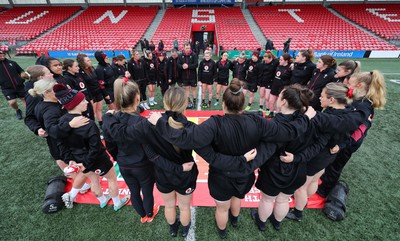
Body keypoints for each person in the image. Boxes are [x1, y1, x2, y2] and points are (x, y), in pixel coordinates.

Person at [148, 79, 312, 239]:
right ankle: (234, 220)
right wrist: (304, 118)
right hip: (244, 175)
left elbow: (188, 139)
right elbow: (285, 133)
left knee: (222, 208)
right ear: (243, 103)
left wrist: (161, 124)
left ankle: (222, 231)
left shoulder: (214, 124)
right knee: (237, 199)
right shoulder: (258, 122)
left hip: (221, 177)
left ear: (223, 103)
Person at [102, 82, 198, 236]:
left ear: (165, 102)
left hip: (163, 174)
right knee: (185, 207)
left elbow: (151, 155)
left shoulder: (150, 125)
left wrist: (108, 117)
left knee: (169, 205)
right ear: (185, 103)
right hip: (184, 175)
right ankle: (185, 230)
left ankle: (173, 229)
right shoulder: (192, 128)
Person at [286, 82, 361, 222]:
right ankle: (306, 200)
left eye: (322, 96)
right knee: (314, 179)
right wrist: (340, 144)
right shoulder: (349, 113)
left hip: (317, 156)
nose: (320, 98)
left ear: (331, 99)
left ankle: (297, 213)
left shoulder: (328, 119)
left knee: (300, 186)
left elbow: (317, 141)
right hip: (328, 156)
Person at [251, 84, 320, 232]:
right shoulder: (309, 120)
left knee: (268, 199)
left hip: (275, 169)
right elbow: (316, 146)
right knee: (283, 199)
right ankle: (276, 222)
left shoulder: (276, 124)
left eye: (280, 96)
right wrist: (298, 158)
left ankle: (261, 222)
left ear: (283, 102)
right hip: (297, 168)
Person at [53, 83, 130, 211]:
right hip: (97, 159)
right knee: (112, 179)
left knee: (94, 181)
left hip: (79, 160)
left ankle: (102, 201)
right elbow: (96, 148)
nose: (86, 102)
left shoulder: (62, 122)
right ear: (74, 104)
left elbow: (61, 143)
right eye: (82, 100)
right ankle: (117, 203)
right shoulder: (88, 124)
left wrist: (70, 160)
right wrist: (86, 163)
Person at [316, 71, 386, 198]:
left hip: (349, 143)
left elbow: (359, 132)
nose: (348, 87)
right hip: (341, 138)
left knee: (336, 166)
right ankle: (323, 178)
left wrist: (342, 145)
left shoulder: (364, 106)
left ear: (359, 86)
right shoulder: (357, 99)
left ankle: (324, 190)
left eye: (350, 85)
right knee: (331, 161)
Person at [29, 78, 91, 205]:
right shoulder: (50, 111)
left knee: (64, 160)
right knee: (79, 166)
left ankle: (79, 184)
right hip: (61, 143)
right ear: (46, 93)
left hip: (56, 143)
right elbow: (53, 130)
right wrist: (71, 124)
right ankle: (74, 192)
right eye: (54, 89)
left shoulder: (45, 104)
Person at [77, 54, 107, 129]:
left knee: (99, 110)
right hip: (91, 95)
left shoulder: (92, 68)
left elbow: (96, 80)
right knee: (92, 113)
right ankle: (93, 127)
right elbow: (85, 86)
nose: (90, 61)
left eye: (89, 60)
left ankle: (101, 125)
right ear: (82, 62)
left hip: (98, 92)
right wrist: (90, 98)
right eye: (87, 60)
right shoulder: (80, 72)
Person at [23, 65, 54, 135]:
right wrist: (37, 128)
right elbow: (29, 117)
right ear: (41, 77)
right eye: (49, 73)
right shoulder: (34, 95)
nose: (52, 74)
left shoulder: (48, 86)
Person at [0, 50, 26, 119]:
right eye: (0, 55)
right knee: (12, 102)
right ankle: (18, 110)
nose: (2, 56)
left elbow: (21, 71)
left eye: (3, 55)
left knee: (24, 99)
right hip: (7, 88)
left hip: (19, 86)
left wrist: (22, 78)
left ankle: (30, 113)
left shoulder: (12, 63)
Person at [267, 53, 292, 117]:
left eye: (281, 60)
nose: (279, 61)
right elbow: (272, 58)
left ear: (286, 61)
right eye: (279, 59)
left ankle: (278, 115)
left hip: (282, 89)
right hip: (275, 87)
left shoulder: (290, 68)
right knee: (270, 101)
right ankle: (271, 112)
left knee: (279, 104)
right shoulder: (278, 65)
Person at [258, 50, 279, 115]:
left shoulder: (275, 62)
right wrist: (259, 83)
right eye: (264, 60)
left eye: (266, 60)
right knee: (261, 95)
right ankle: (260, 107)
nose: (265, 61)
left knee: (267, 97)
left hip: (270, 82)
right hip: (262, 81)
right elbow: (261, 73)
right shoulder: (263, 63)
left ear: (271, 58)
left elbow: (282, 61)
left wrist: (291, 63)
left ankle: (267, 109)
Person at [178, 42, 198, 109]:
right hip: (184, 76)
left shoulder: (194, 55)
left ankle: (195, 100)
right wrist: (182, 66)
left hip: (193, 76)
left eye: (189, 48)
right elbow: (178, 64)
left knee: (193, 89)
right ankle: (188, 101)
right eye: (186, 48)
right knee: (187, 89)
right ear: (184, 48)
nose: (188, 49)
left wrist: (188, 66)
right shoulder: (180, 55)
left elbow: (196, 65)